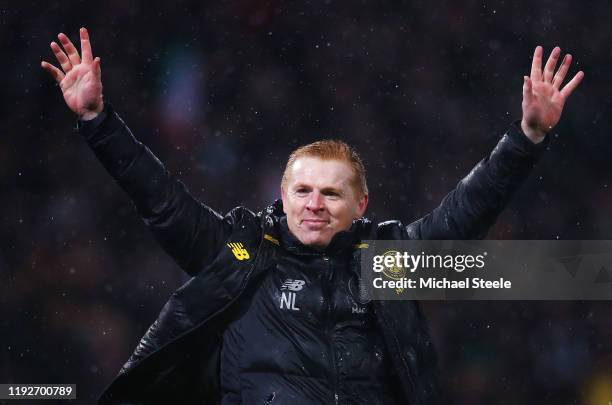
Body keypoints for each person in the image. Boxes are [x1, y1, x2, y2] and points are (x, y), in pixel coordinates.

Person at [42, 28, 583, 405]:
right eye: (302, 190)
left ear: (361, 205)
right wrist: (96, 120)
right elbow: (158, 199)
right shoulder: (240, 252)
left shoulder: (387, 263)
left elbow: (465, 216)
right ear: (281, 194)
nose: (314, 205)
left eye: (330, 193)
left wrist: (528, 136)